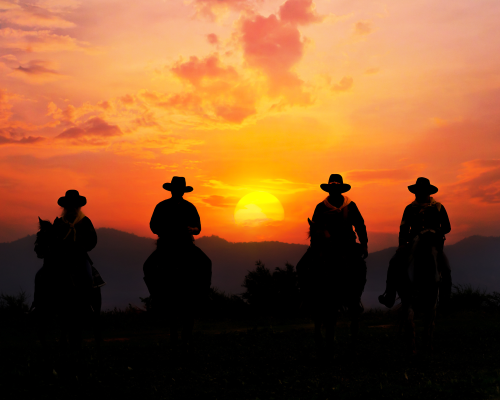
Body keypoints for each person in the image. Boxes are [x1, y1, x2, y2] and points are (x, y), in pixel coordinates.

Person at [144, 176, 211, 353]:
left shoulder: (190, 207)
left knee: (206, 262)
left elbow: (198, 227)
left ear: (181, 191)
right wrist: (165, 231)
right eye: (176, 189)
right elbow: (153, 226)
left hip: (186, 244)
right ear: (172, 190)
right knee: (148, 266)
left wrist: (192, 230)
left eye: (179, 189)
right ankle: (156, 295)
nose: (177, 191)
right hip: (166, 244)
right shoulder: (161, 206)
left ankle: (204, 294)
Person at [378, 177, 452, 308]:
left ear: (429, 192)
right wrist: (402, 244)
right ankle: (390, 295)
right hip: (413, 244)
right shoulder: (409, 209)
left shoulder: (438, 208)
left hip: (434, 245)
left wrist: (436, 231)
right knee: (394, 262)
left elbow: (447, 227)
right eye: (418, 191)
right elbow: (404, 228)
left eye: (423, 191)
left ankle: (445, 299)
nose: (421, 194)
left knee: (446, 268)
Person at [311, 174, 369, 313]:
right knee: (303, 266)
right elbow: (314, 229)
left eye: (337, 187)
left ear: (341, 189)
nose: (334, 190)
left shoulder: (350, 206)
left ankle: (355, 299)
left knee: (360, 268)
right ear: (329, 189)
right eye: (332, 187)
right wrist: (314, 247)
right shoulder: (321, 207)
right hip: (325, 245)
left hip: (347, 243)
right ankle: (309, 299)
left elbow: (360, 225)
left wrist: (364, 243)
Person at [52, 189, 97, 348]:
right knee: (47, 276)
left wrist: (82, 246)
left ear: (78, 206)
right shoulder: (59, 223)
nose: (71, 207)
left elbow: (93, 240)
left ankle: (88, 305)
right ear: (65, 206)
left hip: (79, 257)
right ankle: (44, 306)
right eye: (69, 205)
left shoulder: (85, 222)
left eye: (74, 205)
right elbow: (52, 241)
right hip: (62, 258)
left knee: (88, 275)